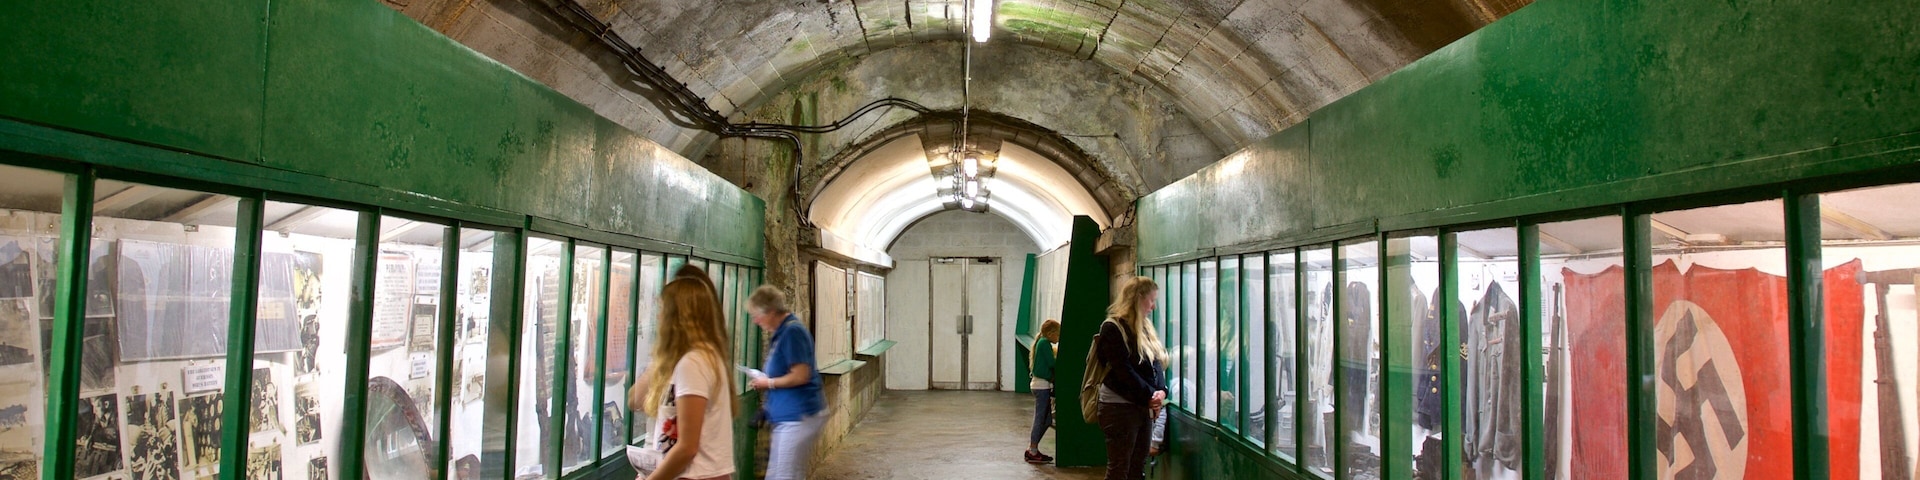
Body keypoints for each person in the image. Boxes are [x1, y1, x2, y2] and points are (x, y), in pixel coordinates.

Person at [628, 272, 736, 480]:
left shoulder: (693, 363)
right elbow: (635, 400)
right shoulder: (697, 358)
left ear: (677, 317)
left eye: (662, 310)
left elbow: (687, 447)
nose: (658, 317)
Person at [747, 285, 827, 480]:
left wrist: (769, 383)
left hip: (798, 416)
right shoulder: (782, 332)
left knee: (784, 475)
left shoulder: (792, 333)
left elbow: (801, 375)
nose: (756, 321)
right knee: (787, 473)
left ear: (772, 311)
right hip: (789, 416)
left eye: (758, 315)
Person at [1096, 277, 1169, 480]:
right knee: (1120, 467)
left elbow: (1156, 362)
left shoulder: (1145, 328)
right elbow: (1123, 371)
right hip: (1118, 407)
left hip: (1142, 406)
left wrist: (1161, 391)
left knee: (1137, 466)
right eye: (1151, 300)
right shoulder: (1112, 328)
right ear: (1138, 298)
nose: (1153, 307)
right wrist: (1151, 394)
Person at [1025, 318, 1062, 464]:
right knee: (1040, 418)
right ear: (1050, 333)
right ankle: (1032, 449)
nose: (1058, 338)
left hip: (1041, 386)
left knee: (1046, 420)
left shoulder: (1042, 343)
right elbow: (1052, 364)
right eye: (1058, 335)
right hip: (1042, 387)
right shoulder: (1044, 344)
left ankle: (1032, 448)